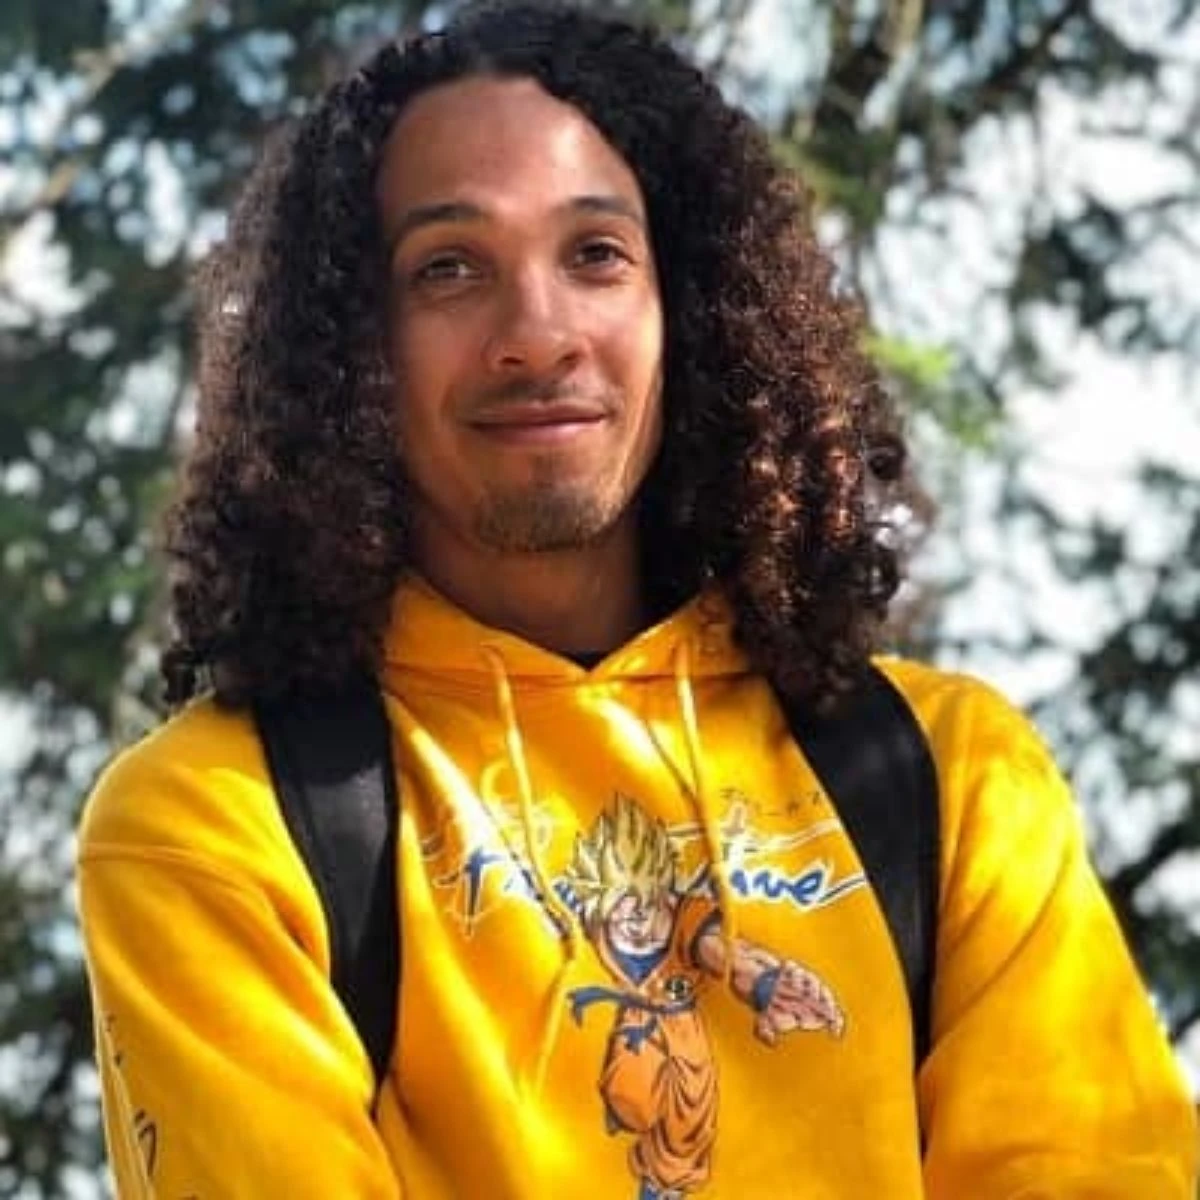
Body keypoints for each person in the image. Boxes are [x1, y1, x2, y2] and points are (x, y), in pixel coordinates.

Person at [76, 4, 1197, 1197]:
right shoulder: (214, 827)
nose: (537, 334)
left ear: (691, 308)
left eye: (597, 254)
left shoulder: (954, 779)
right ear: (355, 348)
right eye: (448, 267)